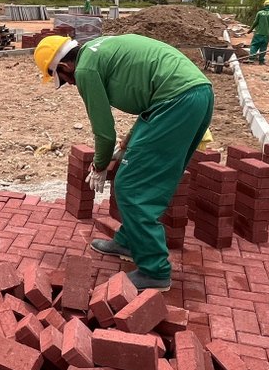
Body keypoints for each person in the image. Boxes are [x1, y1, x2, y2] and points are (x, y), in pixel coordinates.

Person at [33, 34, 214, 291]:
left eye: (64, 80)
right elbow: (149, 98)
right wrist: (127, 144)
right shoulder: (97, 49)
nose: (70, 85)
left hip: (177, 102)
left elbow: (104, 131)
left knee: (131, 185)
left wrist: (99, 165)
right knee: (141, 179)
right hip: (193, 95)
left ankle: (155, 271)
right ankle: (129, 242)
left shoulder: (85, 70)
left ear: (65, 66)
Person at [246, 0, 269, 65]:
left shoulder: (260, 13)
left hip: (258, 33)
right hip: (266, 34)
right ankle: (261, 61)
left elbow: (255, 22)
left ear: (264, 5)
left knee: (254, 45)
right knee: (263, 47)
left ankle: (251, 59)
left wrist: (250, 30)